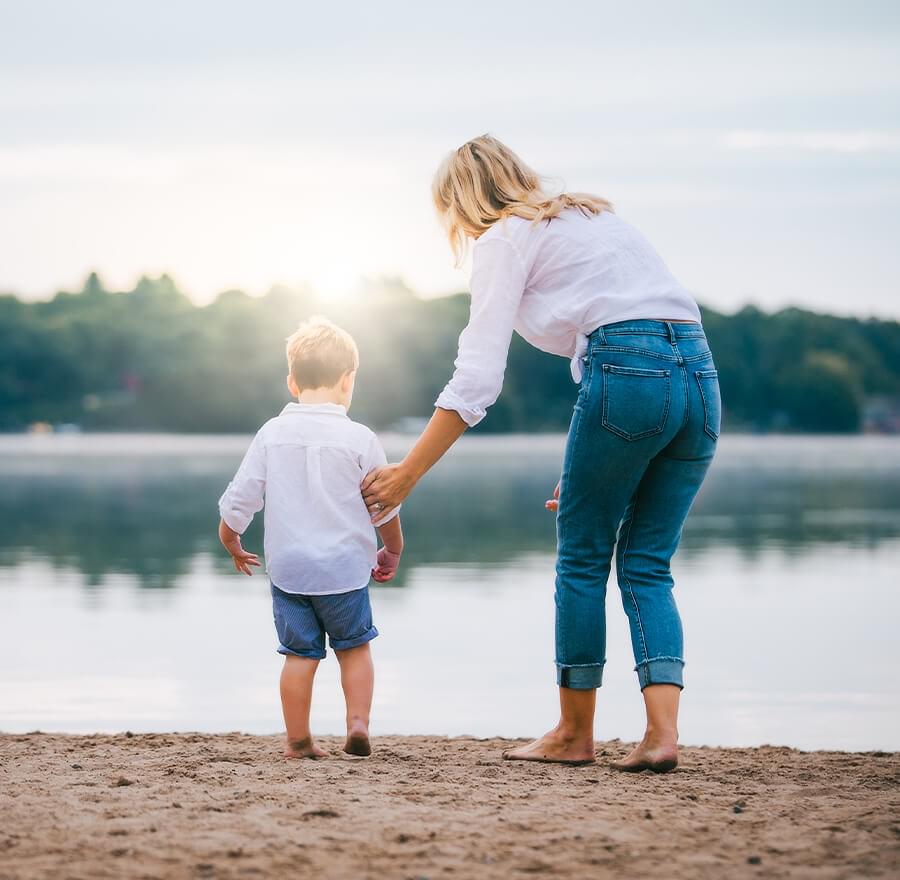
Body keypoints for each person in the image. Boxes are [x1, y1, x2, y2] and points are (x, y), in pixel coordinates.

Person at [362, 135, 720, 770]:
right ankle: (661, 738)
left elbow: (477, 379)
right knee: (647, 565)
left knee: (581, 559)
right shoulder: (593, 216)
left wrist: (408, 473)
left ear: (458, 201)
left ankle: (573, 734)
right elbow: (639, 338)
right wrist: (587, 474)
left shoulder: (503, 236)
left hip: (630, 377)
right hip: (699, 376)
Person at [218, 317, 403, 759]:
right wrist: (393, 548)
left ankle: (298, 741)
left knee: (299, 656)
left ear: (292, 381)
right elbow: (386, 504)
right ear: (347, 380)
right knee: (354, 648)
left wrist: (230, 538)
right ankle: (357, 724)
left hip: (291, 571)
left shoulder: (271, 434)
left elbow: (241, 497)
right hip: (344, 571)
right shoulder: (361, 439)